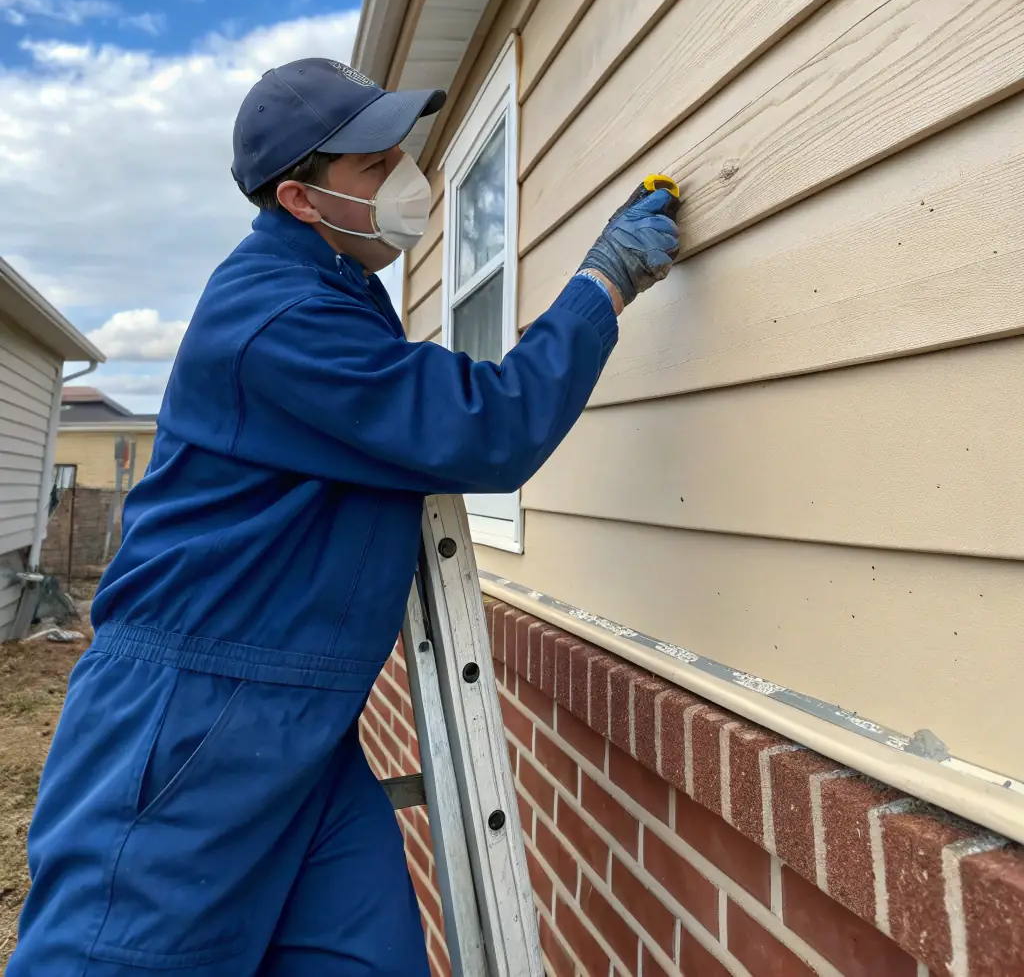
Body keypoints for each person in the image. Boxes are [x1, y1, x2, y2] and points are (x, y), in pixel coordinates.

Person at [10, 57, 679, 977]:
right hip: (189, 723)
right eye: (377, 168)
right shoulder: (278, 315)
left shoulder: (333, 290)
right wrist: (601, 280)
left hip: (299, 726)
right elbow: (486, 427)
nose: (411, 181)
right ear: (300, 197)